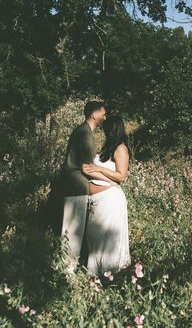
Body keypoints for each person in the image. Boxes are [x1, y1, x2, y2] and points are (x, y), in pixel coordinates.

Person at [61, 100, 113, 273]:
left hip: (75, 186)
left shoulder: (83, 132)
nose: (105, 118)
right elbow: (86, 167)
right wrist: (110, 181)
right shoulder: (84, 133)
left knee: (73, 231)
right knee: (72, 231)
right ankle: (67, 272)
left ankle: (68, 269)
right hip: (76, 186)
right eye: (103, 114)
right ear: (94, 114)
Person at [82, 115, 131, 276]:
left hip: (110, 201)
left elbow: (121, 176)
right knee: (95, 235)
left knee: (106, 238)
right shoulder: (107, 147)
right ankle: (96, 274)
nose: (104, 132)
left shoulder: (120, 148)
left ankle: (108, 276)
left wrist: (99, 170)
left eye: (106, 129)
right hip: (97, 200)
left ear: (114, 129)